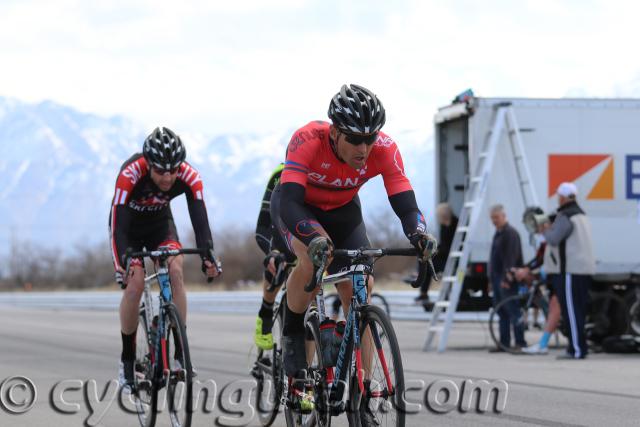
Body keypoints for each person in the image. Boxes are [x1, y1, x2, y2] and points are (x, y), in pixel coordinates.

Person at [273, 84, 437, 416]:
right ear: (334, 133)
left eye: (370, 138)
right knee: (312, 261)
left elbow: (405, 203)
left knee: (363, 282)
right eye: (355, 139)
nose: (364, 148)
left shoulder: (385, 149)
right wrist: (315, 238)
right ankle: (293, 344)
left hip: (344, 213)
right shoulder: (307, 140)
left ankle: (362, 386)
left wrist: (418, 234)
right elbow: (289, 200)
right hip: (299, 210)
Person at [109, 127, 221, 391]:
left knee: (175, 269)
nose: (168, 177)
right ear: (148, 165)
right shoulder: (130, 174)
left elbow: (199, 217)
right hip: (128, 231)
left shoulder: (189, 175)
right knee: (135, 284)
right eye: (161, 171)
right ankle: (127, 360)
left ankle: (181, 352)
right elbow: (118, 226)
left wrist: (208, 254)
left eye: (173, 170)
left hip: (160, 226)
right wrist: (122, 261)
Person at [541, 182, 595, 360]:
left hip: (571, 270)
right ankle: (578, 347)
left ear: (562, 197)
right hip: (583, 269)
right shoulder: (581, 214)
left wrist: (545, 229)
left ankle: (576, 349)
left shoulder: (566, 216)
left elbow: (554, 239)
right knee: (577, 310)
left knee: (571, 311)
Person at [253, 163, 297, 350]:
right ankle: (266, 310)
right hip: (278, 231)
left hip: (305, 234)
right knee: (276, 263)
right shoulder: (280, 173)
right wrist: (273, 251)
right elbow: (263, 224)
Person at [488, 204, 526, 352]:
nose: (494, 221)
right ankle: (504, 343)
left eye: (496, 217)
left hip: (506, 280)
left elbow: (511, 258)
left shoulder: (510, 234)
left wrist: (507, 279)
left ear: (504, 216)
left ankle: (520, 342)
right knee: (501, 311)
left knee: (513, 311)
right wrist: (491, 280)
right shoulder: (498, 233)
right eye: (492, 218)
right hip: (497, 278)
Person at [415, 202, 458, 302]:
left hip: (451, 258)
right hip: (444, 256)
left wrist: (437, 251)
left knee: (429, 264)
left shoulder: (456, 225)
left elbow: (450, 246)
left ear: (444, 214)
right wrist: (433, 249)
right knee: (424, 260)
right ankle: (423, 293)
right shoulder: (444, 225)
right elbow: (443, 244)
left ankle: (446, 294)